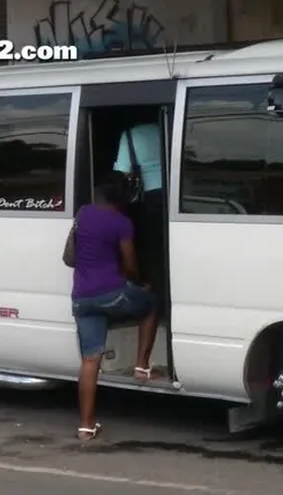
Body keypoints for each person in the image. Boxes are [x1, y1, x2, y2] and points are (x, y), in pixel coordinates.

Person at [70, 171, 156, 441]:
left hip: (81, 298)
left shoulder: (83, 213)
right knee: (151, 305)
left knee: (90, 359)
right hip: (111, 294)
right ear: (123, 197)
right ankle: (141, 367)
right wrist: (141, 283)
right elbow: (130, 265)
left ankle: (86, 427)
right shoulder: (122, 223)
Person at [112, 122, 166, 381]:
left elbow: (119, 176)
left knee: (152, 287)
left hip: (150, 209)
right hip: (176, 201)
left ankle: (141, 363)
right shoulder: (180, 122)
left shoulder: (131, 134)